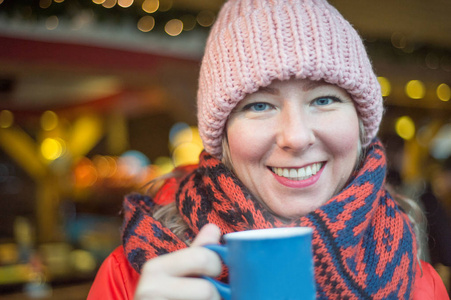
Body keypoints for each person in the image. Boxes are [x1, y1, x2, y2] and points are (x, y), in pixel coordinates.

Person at [88, 0, 449, 299]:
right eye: (259, 105)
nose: (295, 136)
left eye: (324, 98)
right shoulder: (132, 279)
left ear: (360, 124)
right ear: (222, 137)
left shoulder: (420, 285)